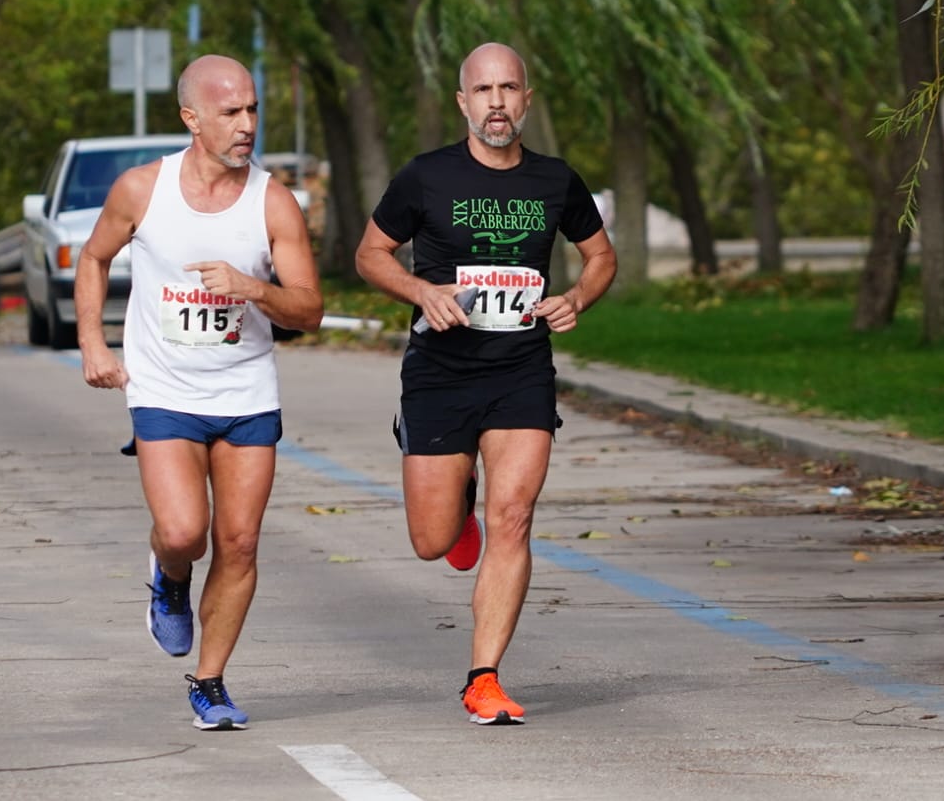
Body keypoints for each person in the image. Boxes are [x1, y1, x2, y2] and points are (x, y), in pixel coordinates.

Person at [355, 41, 617, 725]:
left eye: (509, 89)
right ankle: (454, 489)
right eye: (483, 90)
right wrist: (420, 290)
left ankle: (484, 676)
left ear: (526, 99)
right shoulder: (425, 177)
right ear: (462, 103)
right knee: (432, 539)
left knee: (516, 516)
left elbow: (600, 257)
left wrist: (578, 300)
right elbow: (369, 253)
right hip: (441, 371)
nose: (496, 102)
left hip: (520, 369)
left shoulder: (556, 181)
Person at [75, 54, 322, 730]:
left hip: (245, 392)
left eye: (253, 110)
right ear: (191, 117)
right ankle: (169, 569)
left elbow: (309, 309)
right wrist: (94, 343)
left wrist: (255, 289)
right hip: (163, 387)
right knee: (187, 530)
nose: (247, 125)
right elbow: (92, 257)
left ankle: (209, 680)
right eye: (231, 112)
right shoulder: (140, 190)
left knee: (239, 543)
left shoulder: (272, 200)